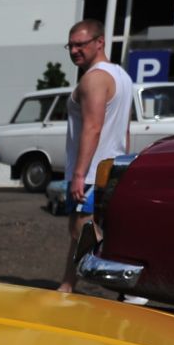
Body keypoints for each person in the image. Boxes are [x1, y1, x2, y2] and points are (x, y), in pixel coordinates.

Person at [57, 18, 133, 294]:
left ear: (99, 42)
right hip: (109, 168)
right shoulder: (121, 76)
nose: (74, 50)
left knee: (85, 233)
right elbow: (124, 128)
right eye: (70, 45)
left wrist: (79, 174)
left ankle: (131, 289)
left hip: (90, 173)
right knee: (81, 232)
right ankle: (66, 286)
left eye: (81, 44)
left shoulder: (94, 78)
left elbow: (93, 126)